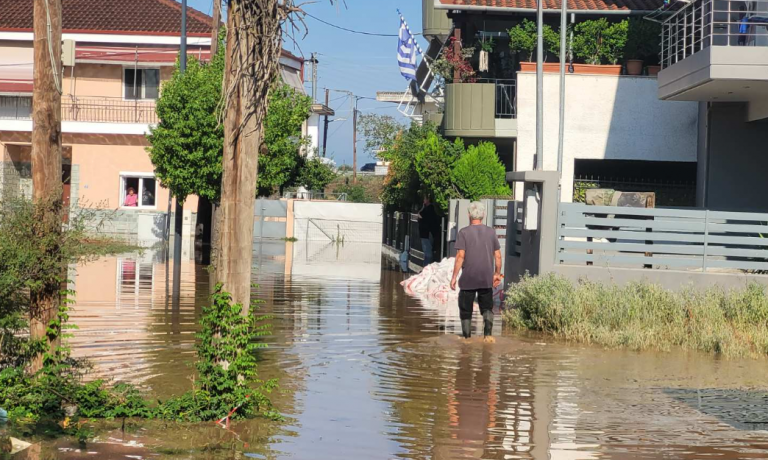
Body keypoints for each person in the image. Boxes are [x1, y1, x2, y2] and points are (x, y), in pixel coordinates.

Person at [450, 201, 502, 342]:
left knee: (465, 309)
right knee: (487, 308)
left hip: (468, 279)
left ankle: (467, 338)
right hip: (486, 278)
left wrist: (454, 277)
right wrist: (497, 274)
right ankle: (488, 336)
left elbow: (460, 256)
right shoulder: (491, 232)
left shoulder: (464, 233)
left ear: (469, 215)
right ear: (483, 215)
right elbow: (497, 256)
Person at [417, 197, 439, 265]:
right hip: (426, 234)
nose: (423, 200)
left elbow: (420, 215)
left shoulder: (429, 209)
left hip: (426, 234)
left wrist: (420, 217)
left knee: (428, 252)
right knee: (427, 251)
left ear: (428, 200)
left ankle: (427, 266)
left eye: (425, 199)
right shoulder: (428, 209)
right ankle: (426, 266)